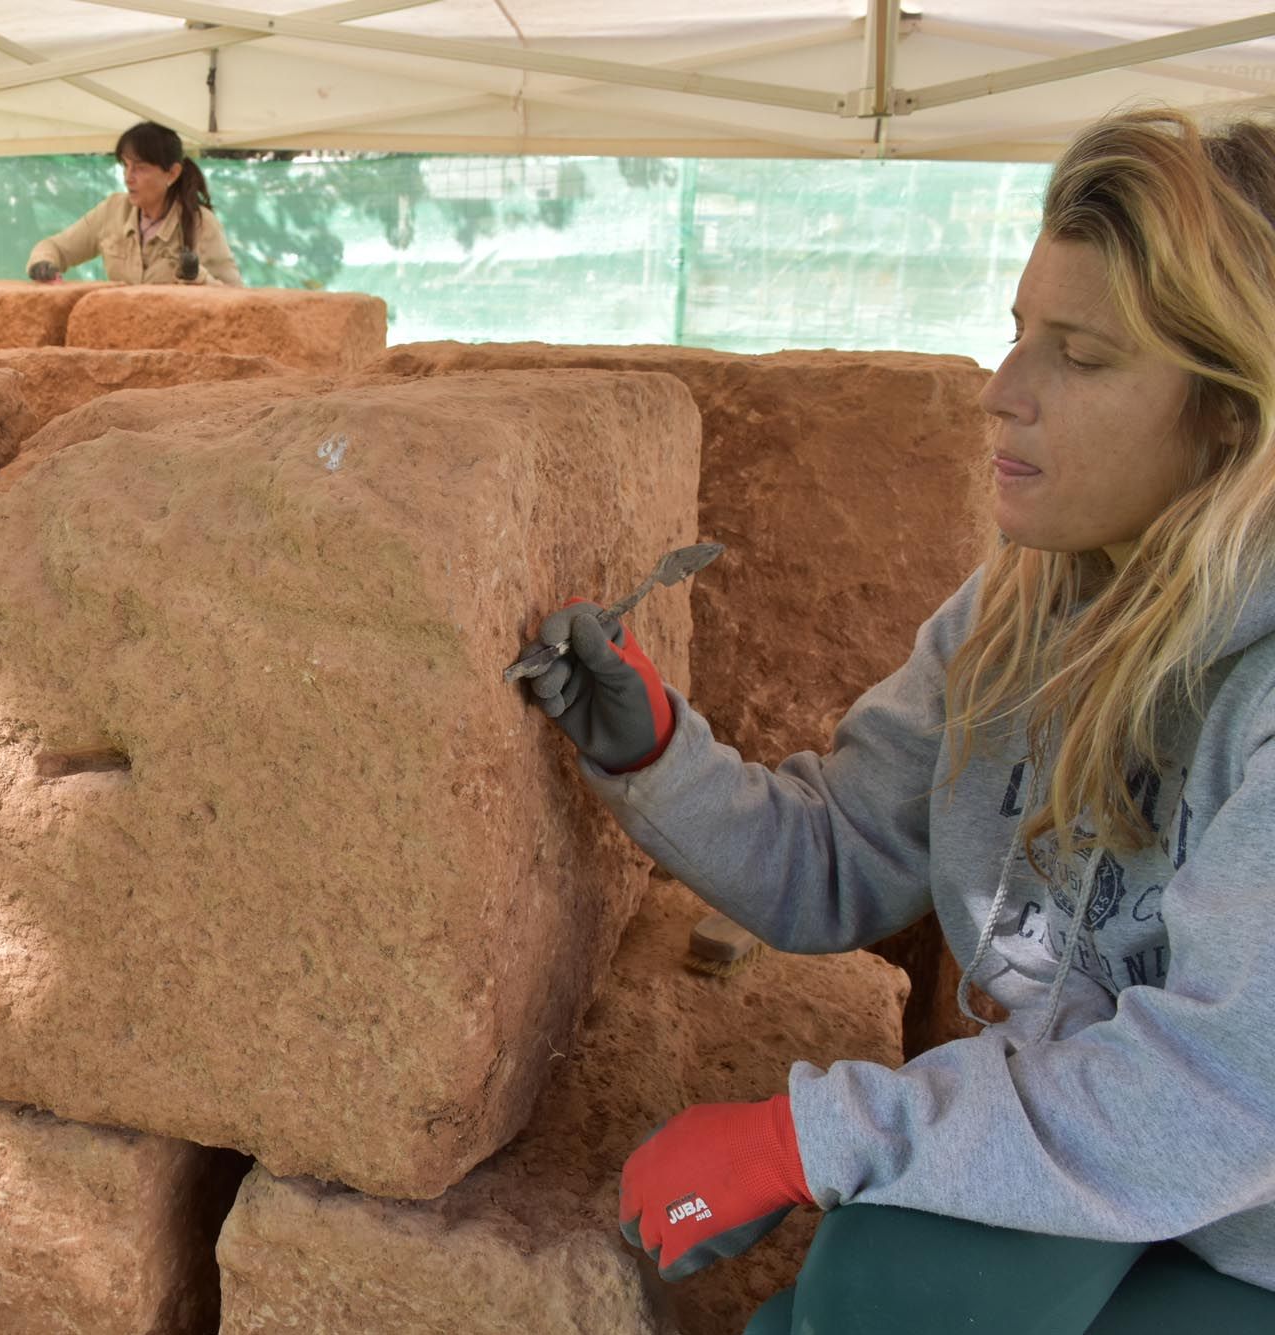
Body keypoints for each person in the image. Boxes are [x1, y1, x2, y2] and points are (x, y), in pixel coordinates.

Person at [525, 107, 1275, 1332]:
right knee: (846, 1299)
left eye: (1077, 357)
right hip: (1111, 1171)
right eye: (1016, 333)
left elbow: (1216, 1094)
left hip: (1246, 1235)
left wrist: (804, 1137)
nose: (1001, 393)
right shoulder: (1026, 602)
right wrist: (655, 756)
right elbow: (840, 858)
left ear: (1229, 414)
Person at [27, 122, 242, 287]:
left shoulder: (201, 223)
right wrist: (43, 263)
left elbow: (237, 299)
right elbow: (55, 247)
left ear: (172, 173)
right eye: (125, 166)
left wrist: (198, 277)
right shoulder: (112, 210)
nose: (128, 177)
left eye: (140, 167)